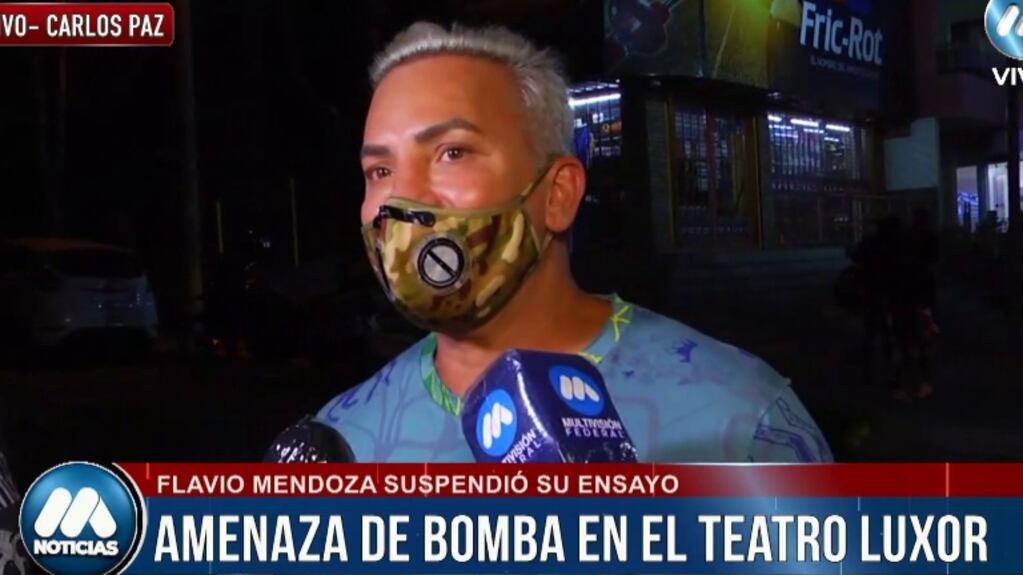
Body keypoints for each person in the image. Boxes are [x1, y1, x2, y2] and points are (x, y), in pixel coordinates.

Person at [315, 23, 832, 463]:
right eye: (379, 170)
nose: (401, 199)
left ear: (558, 194)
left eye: (452, 153)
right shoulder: (341, 442)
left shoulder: (740, 423)